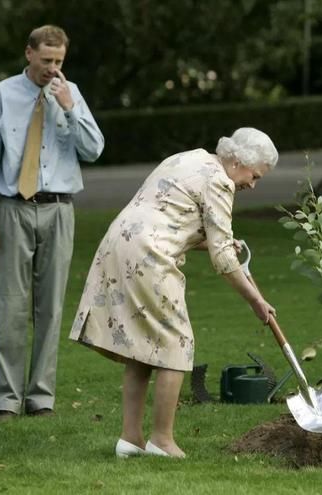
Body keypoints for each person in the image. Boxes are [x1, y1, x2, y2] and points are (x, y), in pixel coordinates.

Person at [69, 127, 278, 458]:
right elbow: (222, 258)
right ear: (237, 161)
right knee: (177, 343)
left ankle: (130, 439)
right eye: (255, 176)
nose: (252, 184)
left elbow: (170, 217)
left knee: (143, 346)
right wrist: (256, 300)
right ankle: (161, 441)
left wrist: (214, 241)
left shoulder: (189, 157)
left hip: (118, 243)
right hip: (147, 256)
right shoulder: (220, 182)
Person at [0, 25, 105, 421]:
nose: (52, 68)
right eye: (46, 60)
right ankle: (5, 401)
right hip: (12, 208)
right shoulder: (2, 95)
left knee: (51, 308)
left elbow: (94, 150)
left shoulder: (70, 93)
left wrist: (69, 107)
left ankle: (40, 398)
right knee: (11, 306)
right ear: (28, 54)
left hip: (60, 210)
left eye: (59, 61)